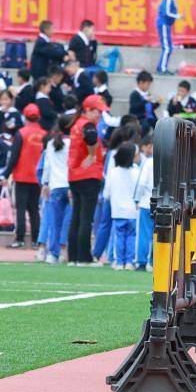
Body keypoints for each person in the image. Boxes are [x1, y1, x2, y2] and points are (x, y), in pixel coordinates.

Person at [67, 95, 107, 265]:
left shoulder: (76, 124)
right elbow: (91, 138)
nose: (100, 115)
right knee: (86, 219)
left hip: (75, 175)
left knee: (76, 217)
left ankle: (73, 256)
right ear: (89, 110)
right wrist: (91, 155)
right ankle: (84, 257)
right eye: (97, 111)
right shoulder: (88, 125)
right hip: (88, 175)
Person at [7, 103, 46, 248]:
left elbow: (14, 156)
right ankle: (36, 239)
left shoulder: (21, 133)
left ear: (25, 116)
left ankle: (20, 239)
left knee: (21, 208)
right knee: (34, 209)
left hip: (22, 176)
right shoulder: (44, 135)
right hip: (37, 178)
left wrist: (6, 173)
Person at [40, 116, 72, 264]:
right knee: (68, 221)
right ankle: (64, 250)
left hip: (55, 185)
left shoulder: (51, 144)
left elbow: (47, 166)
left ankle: (53, 252)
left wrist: (45, 183)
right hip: (70, 184)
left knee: (54, 222)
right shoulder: (73, 143)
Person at [104, 143, 139, 270]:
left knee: (119, 236)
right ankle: (129, 262)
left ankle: (119, 262)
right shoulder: (135, 172)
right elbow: (138, 191)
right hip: (132, 211)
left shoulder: (113, 172)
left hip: (118, 210)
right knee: (131, 237)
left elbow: (106, 193)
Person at [133, 135, 153, 270]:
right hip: (165, 203)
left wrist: (137, 199)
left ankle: (141, 262)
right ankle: (155, 261)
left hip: (146, 202)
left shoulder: (148, 162)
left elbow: (141, 183)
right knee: (160, 235)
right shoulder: (173, 160)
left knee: (144, 234)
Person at [155, 0, 181, 75]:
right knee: (167, 48)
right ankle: (162, 69)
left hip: (166, 25)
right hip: (163, 24)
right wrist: (178, 16)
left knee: (168, 47)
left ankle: (161, 67)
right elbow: (166, 13)